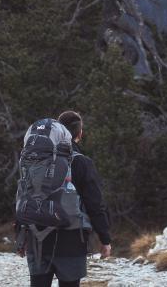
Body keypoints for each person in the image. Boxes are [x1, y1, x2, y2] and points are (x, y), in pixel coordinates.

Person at [21, 110, 111, 287]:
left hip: (37, 237)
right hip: (71, 239)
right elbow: (95, 204)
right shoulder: (82, 162)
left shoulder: (35, 160)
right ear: (79, 134)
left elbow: (23, 195)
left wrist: (21, 236)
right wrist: (105, 238)